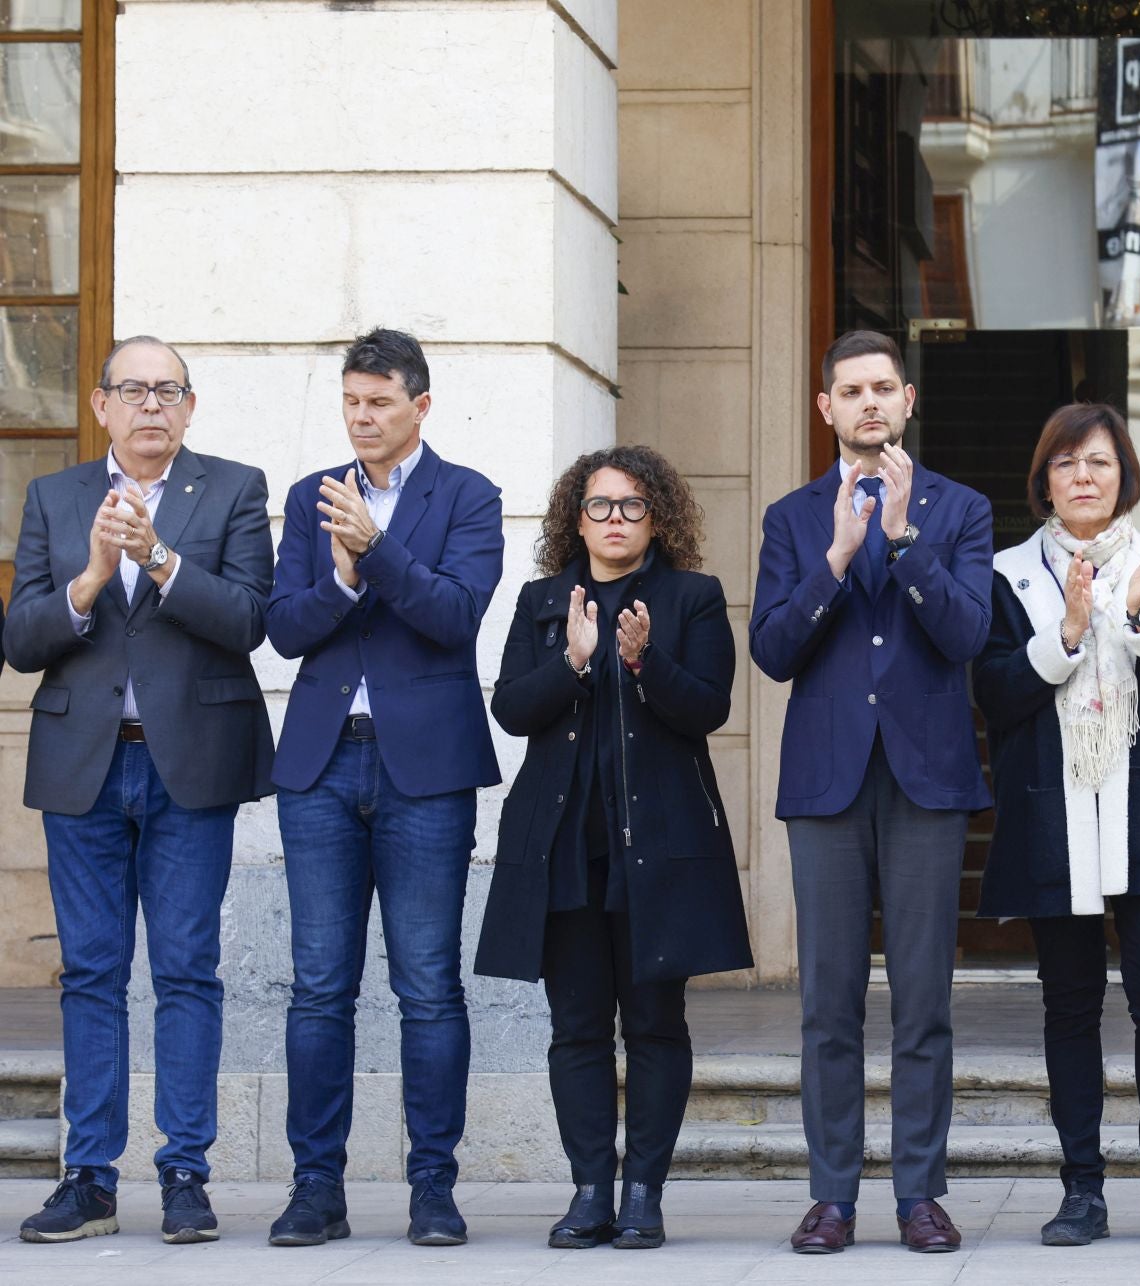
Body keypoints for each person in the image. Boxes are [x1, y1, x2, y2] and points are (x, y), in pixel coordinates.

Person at [6, 337, 274, 1245]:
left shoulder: (234, 489)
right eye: (134, 389)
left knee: (188, 971)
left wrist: (159, 559)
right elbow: (21, 639)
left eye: (169, 391)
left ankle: (186, 1173)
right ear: (101, 404)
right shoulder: (55, 497)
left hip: (188, 761)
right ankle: (88, 1176)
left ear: (190, 408)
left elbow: (249, 621)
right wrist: (88, 579)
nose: (152, 405)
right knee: (90, 972)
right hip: (83, 759)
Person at [749, 330, 993, 1254]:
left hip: (928, 780)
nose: (869, 405)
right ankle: (834, 1197)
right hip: (827, 784)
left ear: (909, 398)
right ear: (826, 408)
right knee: (829, 1002)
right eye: (850, 391)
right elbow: (773, 651)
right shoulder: (792, 518)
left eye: (883, 388)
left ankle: (920, 1192)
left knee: (925, 997)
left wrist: (903, 540)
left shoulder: (959, 509)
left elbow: (969, 635)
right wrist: (840, 557)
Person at [474, 446, 752, 1249]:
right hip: (562, 848)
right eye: (601, 506)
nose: (616, 520)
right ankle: (591, 1188)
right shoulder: (541, 601)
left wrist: (641, 661)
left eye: (632, 506)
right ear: (577, 518)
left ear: (656, 517)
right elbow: (512, 709)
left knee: (658, 1024)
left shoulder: (691, 598)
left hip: (659, 850)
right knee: (578, 1027)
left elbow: (708, 707)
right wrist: (573, 660)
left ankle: (644, 1193)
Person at [264, 328, 504, 1248]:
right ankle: (314, 1189)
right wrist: (340, 572)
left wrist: (381, 551)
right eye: (352, 403)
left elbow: (453, 616)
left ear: (421, 407)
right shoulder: (310, 495)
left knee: (429, 986)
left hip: (427, 771)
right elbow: (286, 630)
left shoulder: (468, 494)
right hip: (322, 764)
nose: (361, 419)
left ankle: (433, 1190)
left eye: (379, 403)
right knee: (319, 987)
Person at [972, 403, 1140, 1247]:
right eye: (1069, 463)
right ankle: (1081, 1188)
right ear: (1045, 479)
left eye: (1101, 463)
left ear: (1125, 477)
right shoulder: (1009, 574)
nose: (1085, 476)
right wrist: (1069, 632)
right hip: (1054, 814)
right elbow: (996, 698)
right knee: (1069, 1008)